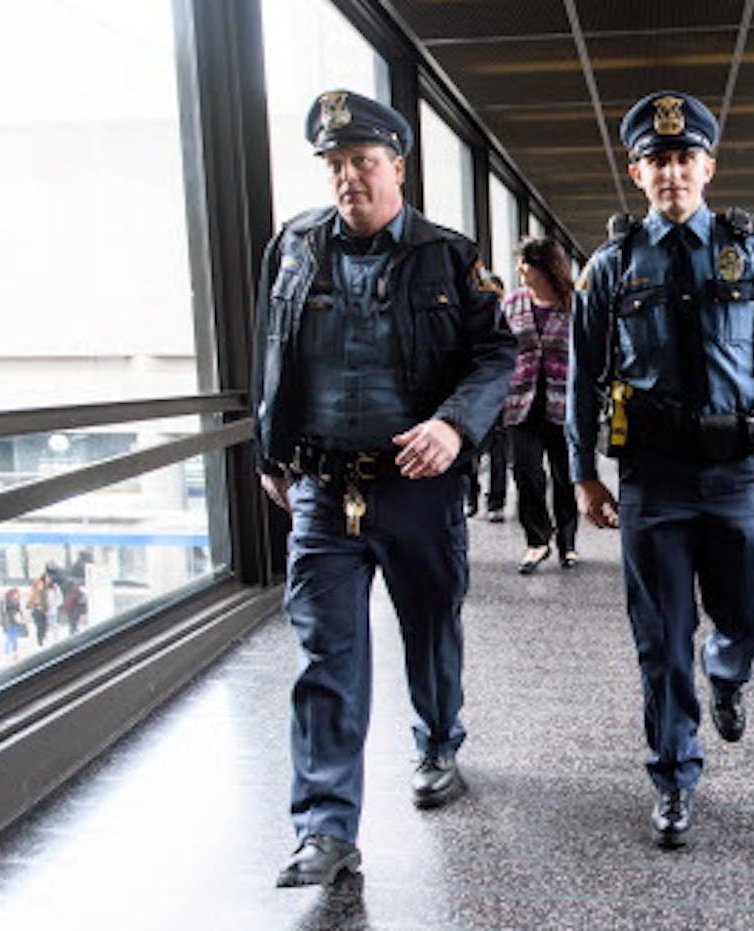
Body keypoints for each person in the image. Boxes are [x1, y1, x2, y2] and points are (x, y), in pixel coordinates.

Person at [251, 89, 516, 888]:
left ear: (396, 166)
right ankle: (325, 826)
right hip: (325, 491)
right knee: (326, 653)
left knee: (430, 627)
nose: (347, 179)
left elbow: (495, 355)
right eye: (334, 164)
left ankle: (439, 740)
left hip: (418, 486)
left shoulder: (448, 255)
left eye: (362, 162)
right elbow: (271, 347)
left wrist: (453, 425)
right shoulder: (294, 246)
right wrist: (273, 449)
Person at [567, 90, 754, 848]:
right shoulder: (610, 268)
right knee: (661, 637)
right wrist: (583, 472)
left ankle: (729, 672)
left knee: (747, 615)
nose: (671, 172)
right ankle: (674, 776)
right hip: (652, 479)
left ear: (708, 166)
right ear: (635, 172)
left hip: (736, 473)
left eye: (684, 158)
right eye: (656, 160)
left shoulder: (752, 254)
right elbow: (580, 379)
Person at [502, 237, 579, 574]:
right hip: (520, 402)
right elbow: (500, 350)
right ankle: (537, 540)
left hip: (565, 404)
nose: (520, 269)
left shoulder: (574, 303)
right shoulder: (512, 303)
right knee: (526, 473)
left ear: (543, 266)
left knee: (565, 476)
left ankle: (567, 541)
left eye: (525, 263)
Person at [467, 275, 510, 521]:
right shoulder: (470, 320)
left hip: (502, 398)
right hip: (474, 399)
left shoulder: (510, 319)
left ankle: (496, 501)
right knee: (471, 452)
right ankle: (471, 497)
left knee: (498, 452)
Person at [0, 588, 26, 661]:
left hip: (15, 621)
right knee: (10, 638)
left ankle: (14, 653)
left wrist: (22, 618)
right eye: (16, 594)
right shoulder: (6, 602)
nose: (18, 595)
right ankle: (7, 653)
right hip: (8, 622)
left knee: (14, 638)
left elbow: (19, 611)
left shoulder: (16, 602)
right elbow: (3, 612)